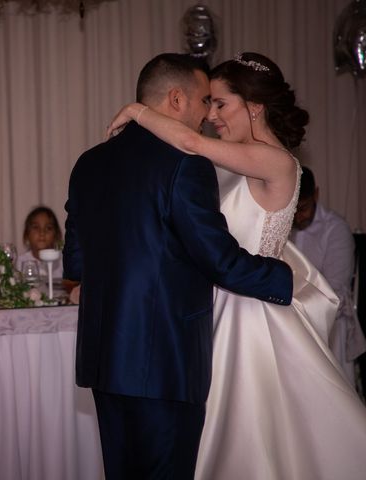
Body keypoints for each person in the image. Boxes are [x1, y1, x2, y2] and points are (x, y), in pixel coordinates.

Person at [107, 51, 366, 479]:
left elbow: (188, 141)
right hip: (212, 305)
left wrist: (137, 110)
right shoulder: (227, 157)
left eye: (220, 103)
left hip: (251, 314)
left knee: (245, 432)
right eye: (208, 103)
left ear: (255, 106)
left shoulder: (277, 161)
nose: (209, 115)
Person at [63, 53, 293, 480]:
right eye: (204, 100)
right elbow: (219, 260)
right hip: (164, 360)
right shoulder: (186, 165)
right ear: (175, 99)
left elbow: (75, 262)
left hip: (104, 361)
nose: (207, 114)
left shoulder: (87, 164)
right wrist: (291, 280)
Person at [290, 166, 366, 388]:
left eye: (302, 208)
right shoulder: (285, 226)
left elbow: (336, 291)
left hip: (331, 321)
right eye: (293, 209)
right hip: (293, 317)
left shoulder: (336, 229)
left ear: (316, 194)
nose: (297, 216)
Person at [16, 206, 63, 279]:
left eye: (48, 228)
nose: (42, 233)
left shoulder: (63, 261)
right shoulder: (19, 263)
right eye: (36, 227)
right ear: (27, 234)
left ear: (56, 235)